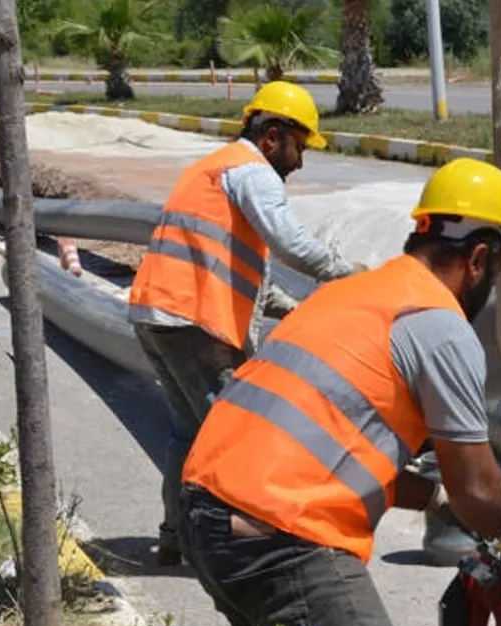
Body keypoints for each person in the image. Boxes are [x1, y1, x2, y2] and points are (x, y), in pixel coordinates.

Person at [176, 157, 501, 626]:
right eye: (497, 272)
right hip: (281, 538)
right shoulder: (439, 325)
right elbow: (477, 493)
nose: (493, 286)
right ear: (478, 259)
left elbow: (335, 452)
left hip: (210, 518)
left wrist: (433, 497)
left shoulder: (354, 294)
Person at [127, 80, 364, 566]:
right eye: (300, 147)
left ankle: (176, 537)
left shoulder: (215, 169)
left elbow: (245, 276)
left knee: (189, 434)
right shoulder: (253, 172)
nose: (300, 162)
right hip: (194, 321)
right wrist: (352, 276)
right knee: (241, 435)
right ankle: (233, 548)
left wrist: (295, 309)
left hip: (159, 314)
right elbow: (291, 243)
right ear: (273, 137)